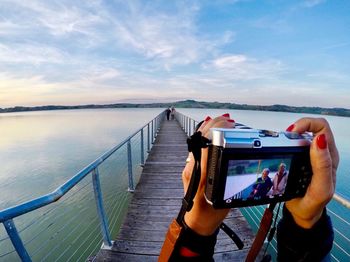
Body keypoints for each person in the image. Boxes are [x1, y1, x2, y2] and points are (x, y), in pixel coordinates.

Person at [160, 114, 339, 261]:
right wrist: (307, 225)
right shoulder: (268, 178)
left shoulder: (269, 179)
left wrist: (196, 233)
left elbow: (266, 188)